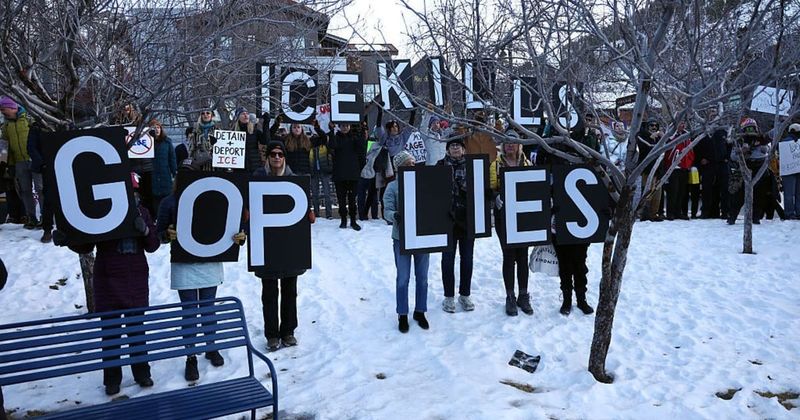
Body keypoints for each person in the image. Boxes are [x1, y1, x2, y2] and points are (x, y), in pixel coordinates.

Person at [60, 173, 159, 395]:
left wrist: (144, 230)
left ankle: (142, 373)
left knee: (137, 332)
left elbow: (153, 245)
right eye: (128, 191)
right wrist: (68, 240)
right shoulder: (103, 212)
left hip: (135, 281)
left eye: (134, 192)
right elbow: (86, 246)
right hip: (108, 282)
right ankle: (112, 379)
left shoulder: (142, 212)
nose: (131, 196)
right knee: (111, 334)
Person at [253, 141, 315, 351]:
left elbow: (306, 203)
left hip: (289, 245)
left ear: (284, 157)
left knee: (290, 290)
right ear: (268, 157)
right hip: (267, 245)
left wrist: (309, 212)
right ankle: (272, 335)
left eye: (280, 154)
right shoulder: (258, 179)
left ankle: (288, 331)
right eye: (273, 154)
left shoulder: (294, 181)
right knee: (269, 292)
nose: (277, 158)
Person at [384, 150, 430, 332]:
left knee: (423, 277)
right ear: (399, 167)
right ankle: (402, 314)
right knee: (403, 278)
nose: (412, 166)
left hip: (422, 236)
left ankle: (420, 310)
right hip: (401, 238)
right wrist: (395, 216)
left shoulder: (424, 183)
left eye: (413, 163)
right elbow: (387, 209)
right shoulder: (392, 187)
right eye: (408, 163)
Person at [490, 135, 534, 316]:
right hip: (504, 216)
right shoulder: (496, 164)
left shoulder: (527, 164)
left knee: (522, 255)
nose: (510, 145)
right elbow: (489, 187)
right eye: (506, 142)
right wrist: (495, 196)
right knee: (509, 255)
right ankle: (510, 296)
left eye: (513, 142)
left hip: (523, 215)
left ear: (518, 145)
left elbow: (534, 185)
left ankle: (523, 294)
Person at [437, 135, 475, 313]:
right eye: (452, 146)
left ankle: (465, 295)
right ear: (447, 149)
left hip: (467, 219)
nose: (455, 149)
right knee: (447, 260)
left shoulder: (474, 167)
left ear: (464, 149)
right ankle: (448, 297)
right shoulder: (439, 166)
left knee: (467, 259)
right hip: (447, 220)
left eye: (458, 146)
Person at [0, 96, 40, 229]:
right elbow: (4, 146)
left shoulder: (29, 120)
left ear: (12, 107)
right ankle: (31, 217)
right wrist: (5, 164)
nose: (2, 112)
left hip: (34, 160)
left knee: (41, 189)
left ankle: (45, 218)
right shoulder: (6, 126)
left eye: (3, 109)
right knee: (25, 191)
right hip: (18, 162)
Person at [727, 118, 771, 224]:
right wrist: (742, 152)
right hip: (745, 168)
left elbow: (766, 152)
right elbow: (732, 156)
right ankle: (732, 217)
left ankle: (756, 217)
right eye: (748, 129)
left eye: (752, 128)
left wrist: (760, 147)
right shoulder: (739, 140)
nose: (750, 131)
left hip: (759, 168)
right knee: (739, 195)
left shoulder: (762, 139)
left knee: (759, 194)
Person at [327, 121, 367, 230]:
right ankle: (343, 220)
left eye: (347, 125)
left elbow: (362, 148)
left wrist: (362, 130)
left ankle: (353, 220)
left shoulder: (354, 138)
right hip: (340, 174)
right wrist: (331, 130)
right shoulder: (336, 137)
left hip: (353, 174)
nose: (345, 128)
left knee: (352, 199)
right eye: (343, 126)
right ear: (339, 127)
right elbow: (332, 146)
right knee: (341, 199)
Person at [696, 128, 730, 219]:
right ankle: (706, 212)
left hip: (722, 164)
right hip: (708, 164)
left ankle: (724, 212)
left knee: (723, 190)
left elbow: (730, 145)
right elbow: (697, 147)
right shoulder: (704, 132)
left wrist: (727, 157)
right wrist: (701, 158)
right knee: (707, 189)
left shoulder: (724, 132)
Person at [664, 125, 694, 220]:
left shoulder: (686, 135)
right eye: (680, 122)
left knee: (682, 191)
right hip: (673, 167)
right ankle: (670, 212)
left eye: (683, 123)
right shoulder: (671, 135)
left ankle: (678, 212)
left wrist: (689, 163)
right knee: (673, 191)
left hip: (684, 166)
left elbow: (690, 150)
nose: (682, 125)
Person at [637, 118, 664, 222]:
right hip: (647, 169)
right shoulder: (642, 136)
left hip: (658, 170)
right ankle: (644, 213)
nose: (653, 127)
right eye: (651, 125)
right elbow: (643, 150)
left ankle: (654, 214)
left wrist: (662, 138)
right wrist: (650, 138)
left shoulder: (660, 138)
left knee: (657, 193)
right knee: (647, 192)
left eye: (655, 126)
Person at [149, 119, 177, 215]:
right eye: (154, 128)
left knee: (167, 198)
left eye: (158, 127)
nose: (156, 130)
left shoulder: (167, 142)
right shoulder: (147, 143)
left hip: (165, 174)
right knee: (154, 199)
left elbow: (172, 159)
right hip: (152, 175)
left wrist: (175, 173)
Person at [309, 120, 335, 219]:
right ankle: (317, 214)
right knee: (315, 194)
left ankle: (329, 214)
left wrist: (317, 128)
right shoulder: (309, 142)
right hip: (314, 171)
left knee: (327, 194)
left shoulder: (324, 140)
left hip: (325, 171)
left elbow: (324, 136)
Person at [230, 107, 267, 173]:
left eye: (247, 113)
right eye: (242, 114)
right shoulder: (233, 133)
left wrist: (266, 123)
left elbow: (265, 141)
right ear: (238, 117)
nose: (245, 115)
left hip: (255, 167)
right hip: (239, 168)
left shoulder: (255, 130)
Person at [780, 123, 800, 219]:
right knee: (798, 193)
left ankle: (789, 213)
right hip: (794, 170)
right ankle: (797, 212)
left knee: (789, 193)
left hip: (788, 171)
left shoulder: (784, 142)